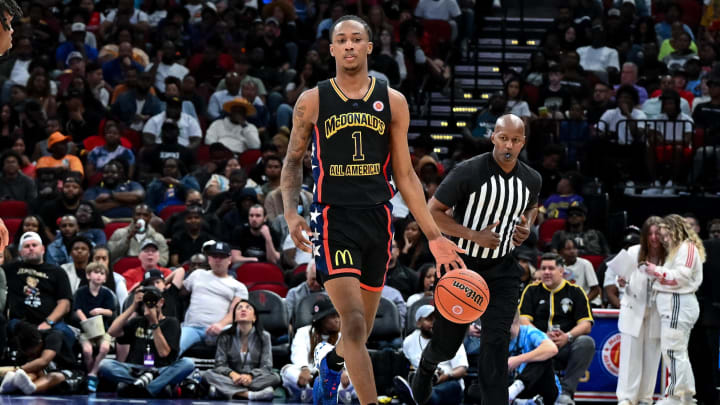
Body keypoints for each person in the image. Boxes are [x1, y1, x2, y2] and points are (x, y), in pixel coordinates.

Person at [281, 15, 464, 405]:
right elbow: (293, 160)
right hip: (333, 219)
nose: (348, 45)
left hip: (378, 219)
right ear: (331, 49)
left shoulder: (392, 100)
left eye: (356, 39)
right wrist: (292, 213)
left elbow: (407, 175)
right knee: (354, 321)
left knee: (357, 336)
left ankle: (331, 365)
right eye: (341, 40)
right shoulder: (312, 100)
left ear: (368, 47)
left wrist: (435, 236)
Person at [399, 114, 540, 405]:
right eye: (503, 138)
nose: (509, 145)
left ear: (523, 142)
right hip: (461, 266)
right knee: (447, 345)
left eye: (515, 140)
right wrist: (474, 235)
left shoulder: (531, 178)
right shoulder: (468, 171)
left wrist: (525, 227)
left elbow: (531, 209)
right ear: (493, 137)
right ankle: (427, 367)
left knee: (496, 344)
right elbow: (432, 212)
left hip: (502, 269)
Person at [643, 214, 704, 405]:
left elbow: (681, 278)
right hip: (674, 304)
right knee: (675, 351)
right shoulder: (678, 250)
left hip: (678, 303)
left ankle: (676, 396)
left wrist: (656, 270)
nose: (664, 239)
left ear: (675, 230)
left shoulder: (686, 247)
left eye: (666, 235)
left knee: (673, 350)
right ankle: (685, 397)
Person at [519, 253, 595, 405]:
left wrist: (567, 336)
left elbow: (586, 324)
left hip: (565, 345)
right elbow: (523, 320)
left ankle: (566, 393)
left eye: (551, 268)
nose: (546, 272)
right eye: (543, 268)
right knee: (524, 339)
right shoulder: (531, 290)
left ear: (561, 271)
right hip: (539, 345)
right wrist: (541, 336)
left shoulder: (575, 291)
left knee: (586, 342)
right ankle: (529, 392)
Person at [99, 286, 194, 398]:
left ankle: (143, 388)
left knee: (188, 363)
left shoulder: (171, 322)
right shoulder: (137, 321)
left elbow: (163, 353)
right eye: (146, 301)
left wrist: (154, 322)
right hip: (135, 369)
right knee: (105, 365)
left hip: (160, 369)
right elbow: (112, 332)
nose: (150, 304)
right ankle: (155, 385)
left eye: (154, 301)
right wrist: (133, 306)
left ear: (161, 302)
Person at [615, 217, 665, 405]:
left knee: (652, 358)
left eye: (657, 234)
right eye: (650, 233)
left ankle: (645, 398)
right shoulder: (634, 251)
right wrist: (620, 281)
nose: (653, 237)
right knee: (630, 358)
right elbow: (620, 278)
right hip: (633, 309)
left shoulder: (669, 256)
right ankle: (626, 398)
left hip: (657, 311)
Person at [3, 232, 75, 346]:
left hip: (52, 322)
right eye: (26, 246)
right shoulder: (10, 270)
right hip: (20, 322)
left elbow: (64, 304)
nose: (31, 248)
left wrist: (49, 322)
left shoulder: (57, 272)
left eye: (34, 245)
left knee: (67, 334)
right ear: (20, 252)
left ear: (43, 249)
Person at [281, 295, 356, 403]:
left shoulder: (342, 336)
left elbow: (349, 358)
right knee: (287, 371)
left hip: (334, 375)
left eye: (338, 316)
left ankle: (312, 394)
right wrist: (304, 369)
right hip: (310, 375)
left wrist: (342, 370)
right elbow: (298, 351)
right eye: (333, 316)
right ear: (321, 319)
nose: (337, 320)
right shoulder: (303, 332)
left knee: (355, 375)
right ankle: (331, 394)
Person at [179, 241, 248, 355]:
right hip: (192, 327)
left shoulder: (239, 286)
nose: (218, 260)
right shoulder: (197, 274)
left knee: (236, 334)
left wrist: (220, 325)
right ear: (209, 259)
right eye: (214, 256)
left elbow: (235, 312)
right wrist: (177, 273)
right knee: (172, 349)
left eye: (222, 257)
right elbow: (178, 292)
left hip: (221, 329)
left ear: (229, 259)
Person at [202, 299, 281, 400]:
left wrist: (250, 376)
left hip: (254, 379)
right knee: (207, 375)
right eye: (239, 308)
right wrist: (233, 374)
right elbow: (219, 365)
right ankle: (250, 395)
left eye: (248, 308)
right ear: (234, 318)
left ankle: (222, 391)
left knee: (275, 377)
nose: (243, 309)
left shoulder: (264, 336)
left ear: (254, 318)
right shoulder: (225, 335)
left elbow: (266, 366)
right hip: (231, 378)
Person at [395, 305, 468, 405]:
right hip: (423, 382)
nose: (434, 323)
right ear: (418, 323)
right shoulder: (409, 341)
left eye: (436, 319)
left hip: (449, 383)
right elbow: (409, 366)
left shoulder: (451, 340)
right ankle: (417, 396)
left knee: (430, 395)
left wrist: (446, 376)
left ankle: (416, 399)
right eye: (429, 319)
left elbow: (462, 370)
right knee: (420, 386)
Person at [0, 321, 78, 395]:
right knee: (26, 374)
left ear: (40, 342)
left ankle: (32, 388)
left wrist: (15, 369)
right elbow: (28, 370)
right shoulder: (22, 348)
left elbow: (44, 361)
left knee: (54, 376)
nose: (32, 356)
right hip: (42, 375)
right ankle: (11, 386)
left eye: (33, 353)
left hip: (67, 372)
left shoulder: (54, 336)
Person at [73, 262, 116, 392]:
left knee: (104, 347)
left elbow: (111, 312)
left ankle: (92, 374)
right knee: (87, 351)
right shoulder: (81, 292)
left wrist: (100, 311)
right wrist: (86, 322)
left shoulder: (108, 294)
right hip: (86, 330)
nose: (99, 276)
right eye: (96, 272)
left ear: (105, 278)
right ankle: (90, 373)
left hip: (103, 330)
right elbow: (77, 309)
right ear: (88, 275)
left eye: (102, 273)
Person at [505, 310, 560, 405]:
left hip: (539, 388)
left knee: (543, 357)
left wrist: (518, 359)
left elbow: (552, 348)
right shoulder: (495, 336)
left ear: (516, 323)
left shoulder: (529, 332)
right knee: (473, 390)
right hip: (508, 385)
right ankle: (519, 402)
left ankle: (515, 390)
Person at [557, 237, 601, 307]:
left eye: (574, 248)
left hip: (588, 301)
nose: (572, 251)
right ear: (560, 252)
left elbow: (595, 290)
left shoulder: (585, 264)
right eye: (568, 249)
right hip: (567, 303)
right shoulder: (557, 266)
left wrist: (582, 302)